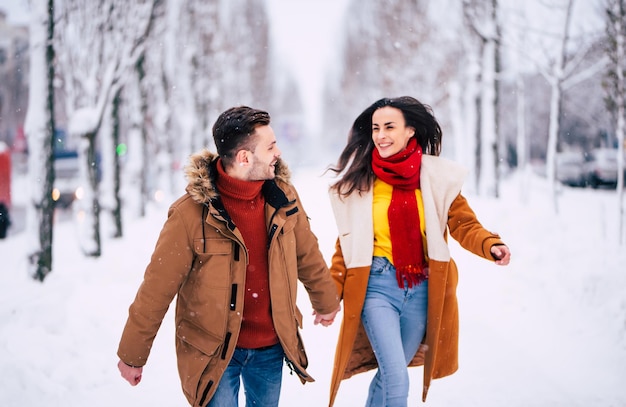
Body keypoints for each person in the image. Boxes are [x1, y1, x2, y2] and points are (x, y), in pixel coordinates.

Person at [117, 105, 341, 407]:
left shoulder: (283, 197)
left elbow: (306, 252)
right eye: (271, 145)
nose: (278, 152)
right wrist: (132, 355)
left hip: (271, 346)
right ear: (244, 157)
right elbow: (157, 288)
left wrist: (325, 302)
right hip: (214, 351)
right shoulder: (190, 214)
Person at [326, 96, 511, 407]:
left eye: (389, 127)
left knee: (389, 375)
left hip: (422, 290)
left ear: (410, 130)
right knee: (397, 376)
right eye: (375, 128)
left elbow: (463, 223)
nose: (380, 135)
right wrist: (330, 295)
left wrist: (489, 244)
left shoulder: (436, 177)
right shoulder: (362, 182)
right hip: (377, 287)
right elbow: (346, 246)